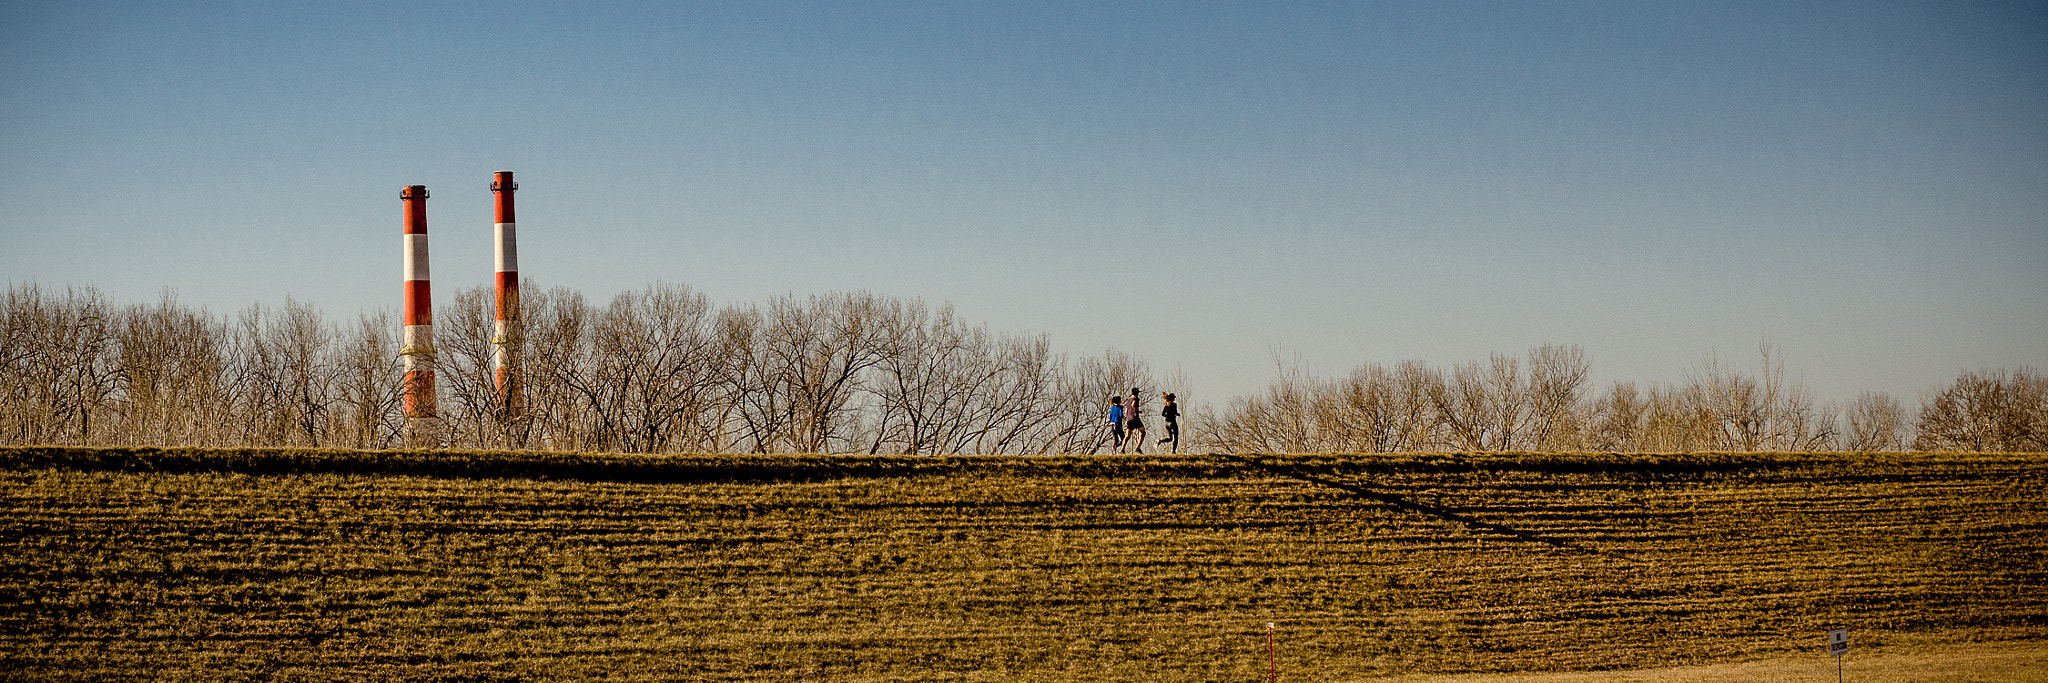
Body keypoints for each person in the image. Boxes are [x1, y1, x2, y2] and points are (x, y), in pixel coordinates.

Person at [1125, 387, 1147, 454]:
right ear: (1136, 393)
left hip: (1129, 419)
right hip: (1135, 419)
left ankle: (1122, 449)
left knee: (1127, 436)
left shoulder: (1128, 400)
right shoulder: (1136, 399)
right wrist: (1138, 411)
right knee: (1143, 432)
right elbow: (1133, 405)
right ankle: (1138, 448)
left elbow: (1126, 411)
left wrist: (1128, 415)